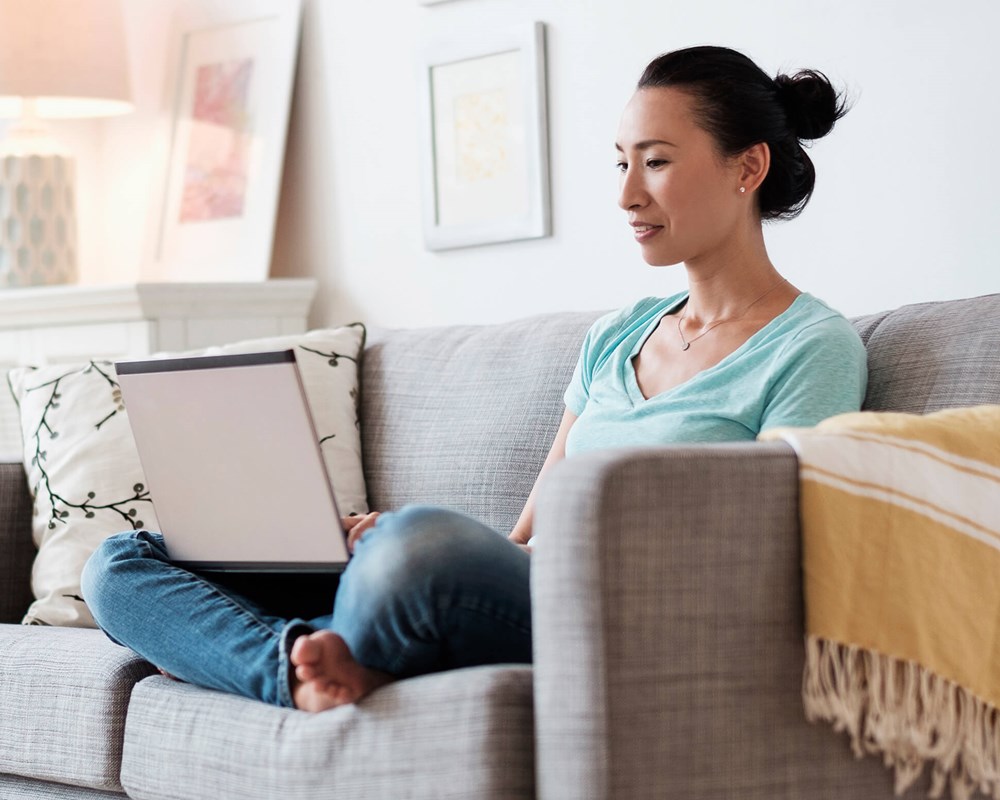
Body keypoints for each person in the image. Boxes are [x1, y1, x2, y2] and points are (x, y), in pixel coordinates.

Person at [81, 45, 867, 713]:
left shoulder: (811, 347)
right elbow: (523, 537)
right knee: (120, 565)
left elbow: (774, 561)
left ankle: (342, 640)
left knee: (416, 546)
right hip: (510, 588)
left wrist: (416, 543)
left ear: (749, 168)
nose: (626, 193)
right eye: (621, 162)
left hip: (618, 615)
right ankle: (299, 666)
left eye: (655, 163)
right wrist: (381, 538)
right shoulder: (616, 335)